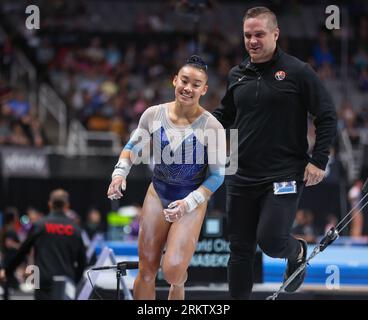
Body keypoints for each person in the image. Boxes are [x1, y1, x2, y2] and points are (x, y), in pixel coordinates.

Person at [212, 7, 337, 299]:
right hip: (241, 175)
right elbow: (223, 116)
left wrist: (319, 160)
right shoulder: (237, 74)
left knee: (270, 241)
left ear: (275, 34)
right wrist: (191, 129)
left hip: (284, 174)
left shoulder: (298, 71)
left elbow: (327, 115)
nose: (252, 41)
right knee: (239, 250)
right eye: (247, 35)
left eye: (259, 34)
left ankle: (298, 250)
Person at [107, 55, 226, 300]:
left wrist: (188, 203)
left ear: (204, 89)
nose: (188, 88)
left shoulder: (213, 127)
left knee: (172, 271)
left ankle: (179, 283)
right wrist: (119, 174)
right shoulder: (153, 114)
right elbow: (132, 147)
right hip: (158, 192)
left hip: (191, 199)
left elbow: (217, 176)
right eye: (184, 80)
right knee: (147, 269)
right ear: (174, 81)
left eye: (195, 84)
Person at [0, 189, 86, 300]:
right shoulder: (75, 229)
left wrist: (7, 271)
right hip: (66, 284)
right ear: (67, 205)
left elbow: (22, 251)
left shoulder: (39, 225)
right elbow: (82, 261)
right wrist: (73, 280)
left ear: (50, 204)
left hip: (43, 283)